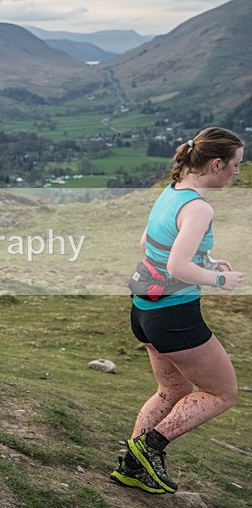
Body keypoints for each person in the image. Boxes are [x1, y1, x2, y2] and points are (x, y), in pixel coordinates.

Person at [110, 127, 244, 493]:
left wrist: (208, 260)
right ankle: (149, 447)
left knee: (172, 391)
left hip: (145, 310)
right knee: (222, 393)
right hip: (174, 315)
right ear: (216, 163)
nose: (237, 172)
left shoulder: (172, 192)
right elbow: (177, 268)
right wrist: (220, 281)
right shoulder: (199, 207)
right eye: (235, 165)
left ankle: (132, 467)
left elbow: (150, 243)